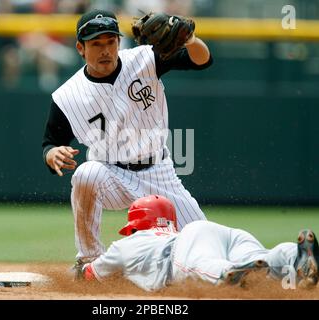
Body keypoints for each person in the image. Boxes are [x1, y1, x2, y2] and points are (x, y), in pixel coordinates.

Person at [42, 9, 213, 273]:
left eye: (110, 41)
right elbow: (50, 142)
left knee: (204, 241)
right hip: (112, 175)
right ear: (80, 48)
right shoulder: (67, 96)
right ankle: (88, 261)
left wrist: (189, 39)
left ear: (118, 43)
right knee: (86, 173)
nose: (105, 50)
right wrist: (52, 154)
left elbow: (203, 61)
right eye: (96, 44)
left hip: (160, 173)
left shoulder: (146, 59)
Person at [81, 195, 319, 291]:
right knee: (261, 255)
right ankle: (293, 256)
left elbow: (89, 274)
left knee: (201, 265)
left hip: (187, 246)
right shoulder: (173, 232)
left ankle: (227, 271)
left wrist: (80, 269)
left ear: (135, 226)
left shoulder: (127, 245)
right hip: (218, 232)